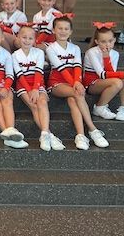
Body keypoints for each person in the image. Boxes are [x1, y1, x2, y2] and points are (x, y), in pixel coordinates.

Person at [46, 16, 109, 150]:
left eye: (66, 29)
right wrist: (76, 84)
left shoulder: (74, 48)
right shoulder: (51, 48)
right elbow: (61, 69)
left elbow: (77, 67)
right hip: (57, 83)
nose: (63, 31)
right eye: (60, 28)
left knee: (74, 100)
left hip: (73, 83)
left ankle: (80, 135)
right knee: (78, 93)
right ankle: (93, 129)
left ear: (71, 31)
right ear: (54, 30)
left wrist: (77, 81)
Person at [13, 24, 65, 151]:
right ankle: (49, 135)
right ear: (18, 38)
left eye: (30, 38)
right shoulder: (15, 55)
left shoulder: (39, 52)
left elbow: (38, 72)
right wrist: (30, 90)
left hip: (38, 83)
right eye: (24, 37)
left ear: (35, 40)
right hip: (23, 85)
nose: (27, 40)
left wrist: (36, 89)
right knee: (34, 105)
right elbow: (19, 75)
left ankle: (44, 135)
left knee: (42, 101)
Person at [84, 22, 124, 121]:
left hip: (105, 81)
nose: (107, 44)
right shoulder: (92, 52)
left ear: (114, 40)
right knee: (118, 81)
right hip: (91, 84)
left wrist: (107, 57)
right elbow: (102, 74)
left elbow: (111, 74)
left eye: (110, 41)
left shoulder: (115, 54)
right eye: (103, 41)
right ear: (97, 41)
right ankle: (99, 107)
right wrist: (122, 73)